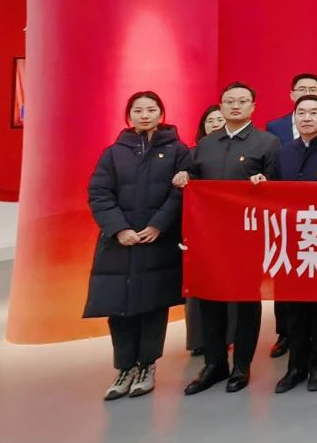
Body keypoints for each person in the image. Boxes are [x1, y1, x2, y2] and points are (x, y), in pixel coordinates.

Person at [174, 81, 280, 395]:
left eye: (242, 101)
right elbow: (193, 182)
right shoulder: (205, 145)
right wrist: (185, 177)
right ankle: (214, 363)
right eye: (229, 101)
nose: (235, 105)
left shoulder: (268, 142)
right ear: (220, 106)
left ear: (253, 107)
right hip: (209, 237)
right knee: (210, 299)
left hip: (248, 236)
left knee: (246, 301)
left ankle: (241, 365)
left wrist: (266, 182)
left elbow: (279, 188)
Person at [85, 91, 192, 401]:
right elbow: (99, 193)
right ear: (128, 115)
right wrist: (119, 229)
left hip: (158, 241)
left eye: (151, 109)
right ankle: (124, 368)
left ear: (161, 113)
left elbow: (181, 194)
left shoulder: (178, 151)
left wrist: (158, 224)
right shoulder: (113, 153)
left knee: (153, 306)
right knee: (118, 307)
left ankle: (147, 366)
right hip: (119, 244)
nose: (145, 115)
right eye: (138, 110)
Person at [251, 95, 317, 394]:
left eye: (314, 112)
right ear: (294, 118)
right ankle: (295, 367)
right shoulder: (284, 151)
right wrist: (262, 181)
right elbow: (273, 187)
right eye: (301, 113)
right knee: (293, 306)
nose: (307, 118)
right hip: (289, 240)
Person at [184, 104, 228, 356]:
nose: (214, 124)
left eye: (219, 120)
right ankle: (200, 340)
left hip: (231, 229)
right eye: (210, 121)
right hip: (200, 230)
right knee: (200, 285)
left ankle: (229, 336)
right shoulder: (193, 153)